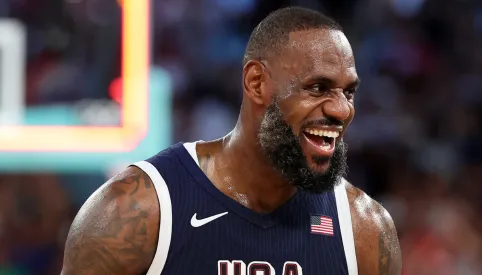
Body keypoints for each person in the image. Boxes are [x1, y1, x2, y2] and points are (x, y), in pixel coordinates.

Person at [60, 6, 402, 275]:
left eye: (349, 92)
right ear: (256, 83)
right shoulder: (135, 209)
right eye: (318, 88)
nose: (341, 109)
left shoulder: (366, 230)